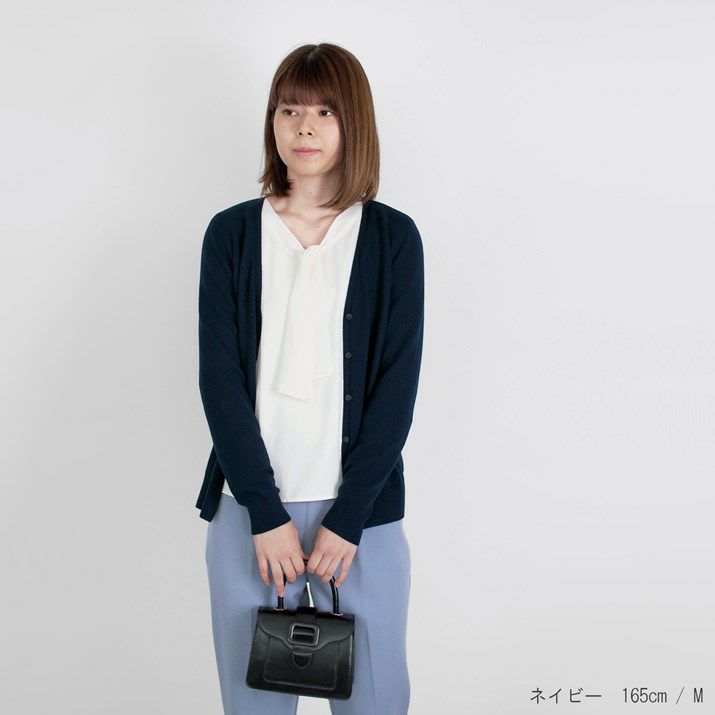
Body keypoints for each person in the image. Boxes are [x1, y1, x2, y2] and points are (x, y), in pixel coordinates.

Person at [196, 42, 425, 714]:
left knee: (376, 701)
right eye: (289, 109)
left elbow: (396, 391)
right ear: (272, 120)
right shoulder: (232, 235)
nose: (304, 127)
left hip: (360, 520)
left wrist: (347, 520)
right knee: (254, 705)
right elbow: (219, 382)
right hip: (250, 518)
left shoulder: (392, 239)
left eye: (326, 111)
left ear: (354, 123)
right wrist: (264, 514)